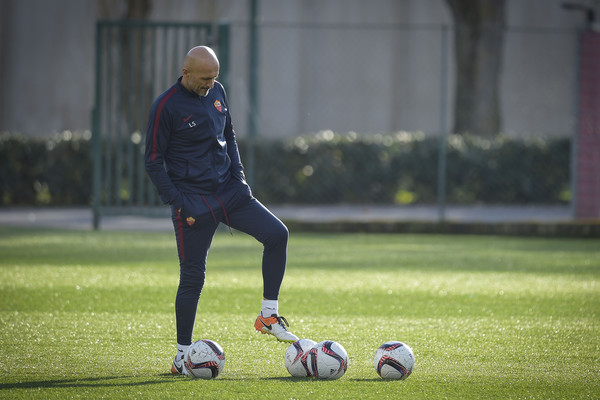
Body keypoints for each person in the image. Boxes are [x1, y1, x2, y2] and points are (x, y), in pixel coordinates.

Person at [144, 45, 298, 375]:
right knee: (193, 279)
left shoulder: (218, 92)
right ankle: (182, 355)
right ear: (185, 72)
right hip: (193, 202)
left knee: (277, 234)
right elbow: (153, 162)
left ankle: (268, 315)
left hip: (229, 192)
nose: (210, 84)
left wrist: (240, 179)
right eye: (204, 78)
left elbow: (229, 133)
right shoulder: (165, 106)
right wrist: (179, 202)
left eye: (214, 78)